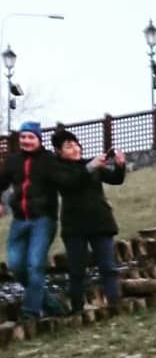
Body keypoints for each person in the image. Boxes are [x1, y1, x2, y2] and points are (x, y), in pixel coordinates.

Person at [51, 128, 126, 313]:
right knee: (77, 271)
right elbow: (70, 183)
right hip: (74, 227)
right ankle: (77, 309)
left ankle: (115, 303)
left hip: (100, 222)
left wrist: (119, 165)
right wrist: (90, 167)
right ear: (59, 152)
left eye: (76, 144)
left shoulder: (91, 165)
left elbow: (116, 179)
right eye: (69, 146)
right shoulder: (58, 170)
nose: (75, 149)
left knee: (108, 267)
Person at [0, 121, 66, 320]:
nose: (26, 141)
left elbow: (68, 179)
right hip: (20, 220)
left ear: (39, 139)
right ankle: (52, 303)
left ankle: (30, 313)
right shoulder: (13, 161)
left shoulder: (49, 160)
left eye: (30, 137)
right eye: (23, 137)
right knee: (16, 266)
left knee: (35, 265)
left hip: (43, 220)